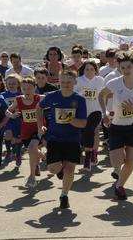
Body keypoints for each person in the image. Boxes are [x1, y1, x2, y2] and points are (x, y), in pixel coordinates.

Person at [99, 51, 133, 200]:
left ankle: (119, 186)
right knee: (117, 161)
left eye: (129, 67)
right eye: (123, 68)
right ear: (119, 68)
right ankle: (118, 173)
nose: (126, 70)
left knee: (129, 161)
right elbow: (101, 95)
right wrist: (105, 113)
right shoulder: (114, 83)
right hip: (116, 127)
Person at [37, 70, 87, 209]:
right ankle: (59, 170)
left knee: (70, 170)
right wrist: (40, 126)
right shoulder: (51, 96)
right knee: (53, 169)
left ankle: (64, 195)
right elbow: (38, 108)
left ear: (74, 82)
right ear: (59, 81)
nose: (65, 84)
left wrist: (69, 119)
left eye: (69, 82)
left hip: (72, 139)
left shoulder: (79, 99)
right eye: (63, 82)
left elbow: (83, 123)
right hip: (54, 138)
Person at [6, 77, 43, 188]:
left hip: (39, 129)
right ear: (21, 89)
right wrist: (11, 115)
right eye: (24, 88)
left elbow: (55, 98)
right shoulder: (18, 99)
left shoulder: (40, 98)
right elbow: (7, 111)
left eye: (29, 88)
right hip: (26, 130)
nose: (27, 91)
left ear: (35, 88)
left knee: (32, 148)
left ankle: (31, 177)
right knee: (32, 150)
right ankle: (44, 158)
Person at [74, 60, 105, 171]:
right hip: (82, 112)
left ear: (95, 70)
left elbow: (103, 95)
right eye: (87, 69)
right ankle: (90, 154)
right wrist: (82, 94)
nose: (90, 71)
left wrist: (106, 111)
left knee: (93, 131)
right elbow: (74, 95)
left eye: (92, 69)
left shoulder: (100, 80)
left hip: (96, 111)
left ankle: (91, 157)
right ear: (83, 70)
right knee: (86, 134)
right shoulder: (78, 80)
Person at [1, 74, 22, 165]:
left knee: (17, 139)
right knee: (8, 135)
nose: (11, 85)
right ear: (6, 84)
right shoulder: (3, 95)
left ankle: (17, 154)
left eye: (14, 83)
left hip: (19, 120)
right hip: (8, 120)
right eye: (9, 83)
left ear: (18, 84)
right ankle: (9, 151)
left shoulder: (21, 94)